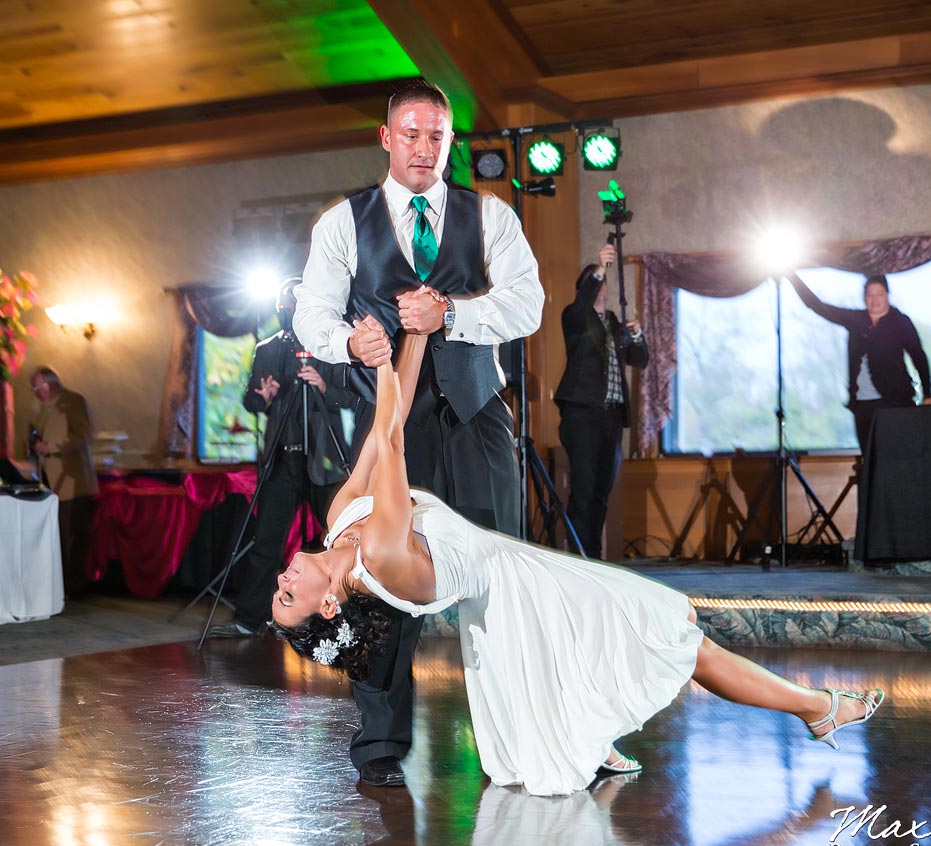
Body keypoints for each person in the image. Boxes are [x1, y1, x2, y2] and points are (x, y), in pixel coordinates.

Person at [268, 327, 885, 797]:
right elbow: (395, 438)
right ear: (329, 604)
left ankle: (806, 710)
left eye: (278, 587)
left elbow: (386, 430)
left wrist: (417, 335)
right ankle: (819, 709)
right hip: (520, 593)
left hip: (518, 582)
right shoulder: (377, 551)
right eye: (289, 596)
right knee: (675, 636)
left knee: (672, 636)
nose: (284, 577)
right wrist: (381, 361)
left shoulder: (342, 519)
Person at [291, 80, 544, 787]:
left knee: (497, 574)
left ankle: (517, 737)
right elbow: (312, 313)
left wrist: (453, 318)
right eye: (411, 134)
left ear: (451, 141)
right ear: (385, 137)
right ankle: (379, 745)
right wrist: (350, 342)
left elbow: (527, 303)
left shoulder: (488, 215)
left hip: (477, 412)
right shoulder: (344, 221)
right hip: (391, 422)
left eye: (437, 136)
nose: (424, 149)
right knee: (378, 578)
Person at [209, 280, 357, 638]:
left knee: (338, 539)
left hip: (324, 460)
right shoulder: (268, 347)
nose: (288, 310)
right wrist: (264, 396)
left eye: (294, 303)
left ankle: (341, 616)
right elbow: (252, 401)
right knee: (267, 541)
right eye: (283, 305)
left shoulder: (330, 342)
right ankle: (249, 619)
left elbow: (351, 397)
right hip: (282, 459)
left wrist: (323, 387)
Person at [555, 244, 648, 558]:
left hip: (610, 416)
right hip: (582, 414)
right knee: (583, 487)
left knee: (601, 490)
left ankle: (592, 553)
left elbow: (640, 360)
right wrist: (599, 267)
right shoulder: (575, 317)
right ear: (586, 287)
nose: (604, 287)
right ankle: (578, 553)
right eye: (598, 283)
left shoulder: (613, 322)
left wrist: (637, 336)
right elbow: (581, 305)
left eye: (605, 283)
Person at [788, 272, 931, 452]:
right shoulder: (857, 320)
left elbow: (918, 356)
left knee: (898, 455)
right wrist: (790, 275)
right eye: (869, 295)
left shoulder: (900, 322)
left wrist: (927, 395)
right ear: (864, 298)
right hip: (863, 404)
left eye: (879, 294)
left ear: (887, 295)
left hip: (895, 400)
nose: (874, 300)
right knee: (870, 458)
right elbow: (816, 305)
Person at [28, 366, 98, 597]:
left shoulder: (73, 402)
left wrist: (52, 447)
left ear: (50, 384)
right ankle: (61, 584)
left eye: (38, 386)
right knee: (61, 534)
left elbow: (83, 435)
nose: (36, 392)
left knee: (73, 536)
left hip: (74, 482)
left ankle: (74, 587)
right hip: (54, 482)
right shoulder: (46, 409)